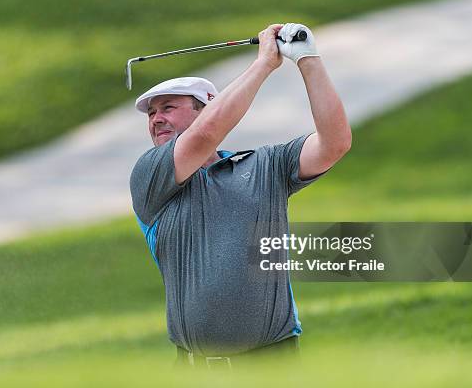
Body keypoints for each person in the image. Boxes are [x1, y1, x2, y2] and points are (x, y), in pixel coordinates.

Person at [129, 23, 351, 368]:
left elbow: (334, 143)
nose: (156, 119)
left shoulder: (265, 165)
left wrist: (307, 59)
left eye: (168, 108)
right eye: (152, 113)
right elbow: (204, 136)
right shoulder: (150, 175)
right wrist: (264, 63)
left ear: (207, 106)